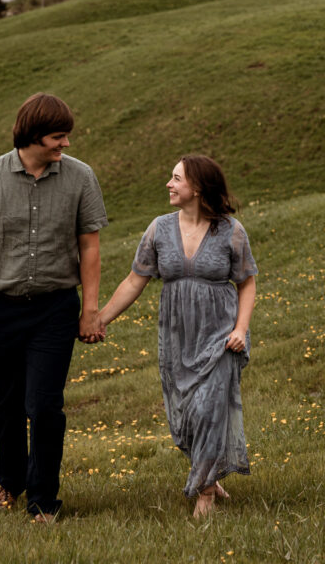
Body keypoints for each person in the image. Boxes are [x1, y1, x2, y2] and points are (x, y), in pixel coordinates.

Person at [0, 92, 108, 522]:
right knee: (6, 403)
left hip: (55, 309)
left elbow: (90, 247)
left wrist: (90, 310)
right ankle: (11, 481)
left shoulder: (81, 178)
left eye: (66, 137)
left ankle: (43, 500)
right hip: (1, 309)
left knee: (44, 406)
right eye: (58, 137)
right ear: (31, 135)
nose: (65, 145)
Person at [98, 154, 257, 518]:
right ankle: (210, 471)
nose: (168, 185)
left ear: (197, 188)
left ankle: (204, 493)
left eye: (176, 178)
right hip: (177, 338)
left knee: (208, 409)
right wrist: (99, 319)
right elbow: (134, 280)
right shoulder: (158, 229)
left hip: (221, 335)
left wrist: (240, 330)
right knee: (184, 418)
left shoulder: (231, 231)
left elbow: (246, 283)